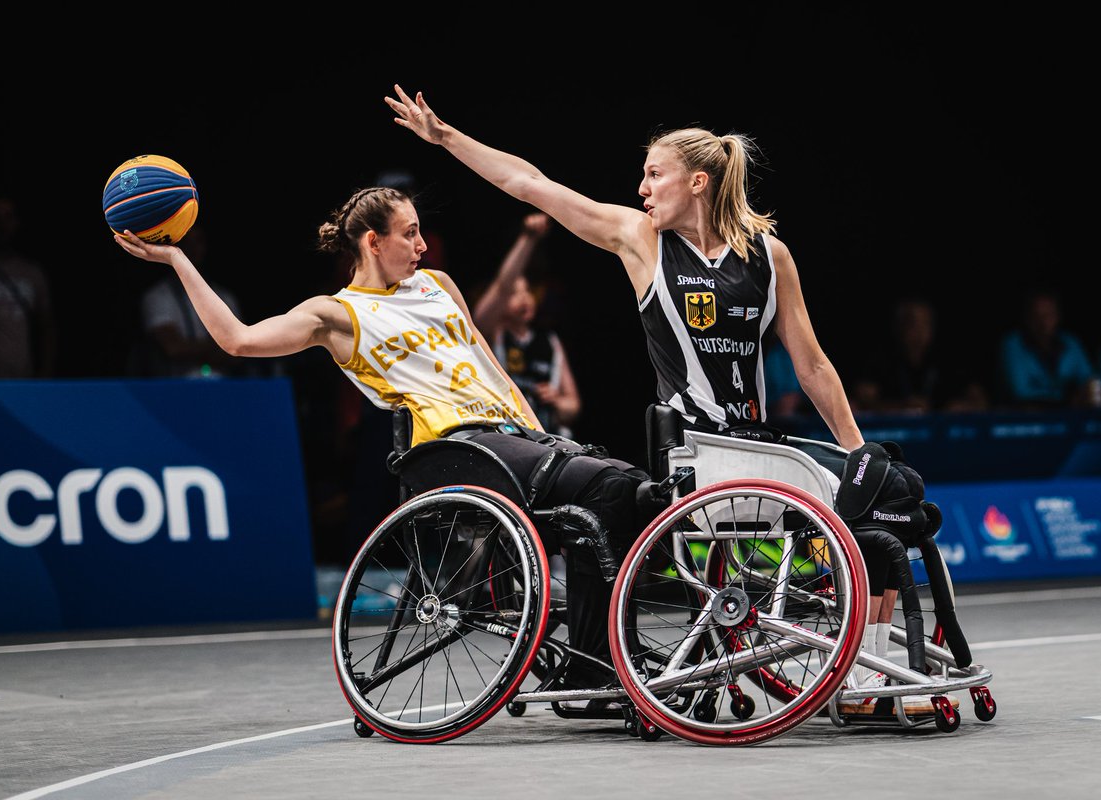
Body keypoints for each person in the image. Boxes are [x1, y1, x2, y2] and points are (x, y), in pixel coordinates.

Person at [385, 85, 930, 712]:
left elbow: (812, 365)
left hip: (761, 452)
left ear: (697, 182)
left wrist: (857, 453)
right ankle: (867, 682)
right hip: (702, 454)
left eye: (653, 174)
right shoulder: (641, 240)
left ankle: (868, 674)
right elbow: (531, 184)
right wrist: (446, 136)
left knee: (890, 490)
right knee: (881, 497)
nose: (641, 188)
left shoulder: (770, 255)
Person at [113, 186, 653, 682]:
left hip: (514, 437)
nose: (422, 243)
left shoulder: (439, 284)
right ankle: (598, 666)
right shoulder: (337, 314)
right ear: (374, 242)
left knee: (629, 486)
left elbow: (489, 364)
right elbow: (238, 340)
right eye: (410, 233)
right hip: (455, 447)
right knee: (605, 485)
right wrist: (177, 260)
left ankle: (598, 661)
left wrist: (540, 436)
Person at [473, 211, 581, 437]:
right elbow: (503, 285)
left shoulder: (550, 341)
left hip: (547, 439)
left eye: (527, 292)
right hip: (506, 438)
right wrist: (528, 239)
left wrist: (558, 401)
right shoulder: (492, 334)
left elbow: (572, 406)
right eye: (515, 294)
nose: (523, 298)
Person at [134, 227, 246, 378]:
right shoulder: (158, 296)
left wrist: (228, 345)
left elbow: (238, 351)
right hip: (176, 386)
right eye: (187, 242)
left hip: (222, 383)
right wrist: (219, 345)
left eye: (198, 242)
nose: (194, 249)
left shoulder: (225, 296)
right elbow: (174, 348)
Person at [851, 297, 987, 415]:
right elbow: (862, 403)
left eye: (926, 323)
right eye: (912, 323)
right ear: (898, 326)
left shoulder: (948, 359)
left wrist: (963, 407)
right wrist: (902, 407)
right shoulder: (881, 359)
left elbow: (980, 399)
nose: (920, 331)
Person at [0, 196, 56, 378]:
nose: (2, 224)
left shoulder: (32, 273)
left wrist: (45, 374)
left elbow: (46, 328)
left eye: (8, 216)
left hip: (22, 382)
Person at [998, 289, 1097, 410]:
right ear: (1027, 318)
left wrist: (1088, 393)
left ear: (1058, 317)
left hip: (1067, 416)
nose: (1043, 323)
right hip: (1025, 417)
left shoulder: (1071, 343)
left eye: (1048, 315)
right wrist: (1069, 399)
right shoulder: (1012, 344)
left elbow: (1089, 381)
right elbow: (1020, 393)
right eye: (1036, 316)